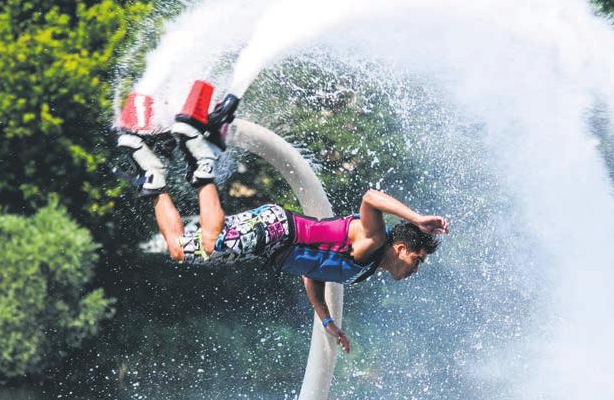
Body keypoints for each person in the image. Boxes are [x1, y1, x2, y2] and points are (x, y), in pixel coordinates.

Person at [117, 96, 448, 354]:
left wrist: (327, 319)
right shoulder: (373, 240)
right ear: (402, 248)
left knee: (179, 249)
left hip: (271, 244)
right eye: (416, 260)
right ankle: (203, 163)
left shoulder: (366, 266)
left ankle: (150, 172)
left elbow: (313, 273)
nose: (415, 269)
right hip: (275, 232)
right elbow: (371, 196)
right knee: (209, 240)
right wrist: (417, 218)